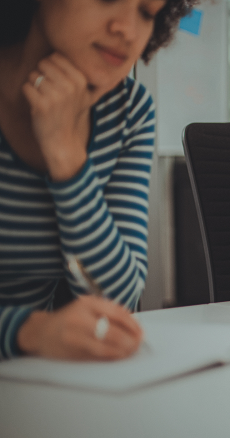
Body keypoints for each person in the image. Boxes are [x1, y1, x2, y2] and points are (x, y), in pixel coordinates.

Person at [0, 0, 195, 360]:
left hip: (41, 381)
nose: (128, 29)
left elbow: (117, 300)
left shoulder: (128, 111)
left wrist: (66, 154)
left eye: (147, 13)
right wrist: (30, 331)